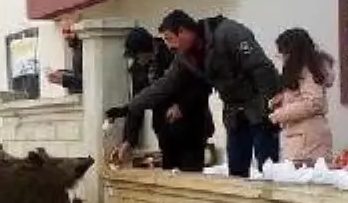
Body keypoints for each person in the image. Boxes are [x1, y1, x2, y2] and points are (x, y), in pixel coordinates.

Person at [111, 10, 281, 178]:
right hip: (234, 111)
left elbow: (261, 68)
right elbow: (164, 85)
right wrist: (130, 107)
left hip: (259, 105)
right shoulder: (184, 57)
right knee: (236, 172)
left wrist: (269, 108)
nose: (169, 45)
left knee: (267, 170)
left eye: (170, 38)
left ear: (183, 31)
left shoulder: (228, 33)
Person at [105, 27, 213, 172]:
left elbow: (199, 86)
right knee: (169, 175)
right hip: (165, 129)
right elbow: (137, 103)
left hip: (192, 126)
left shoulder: (173, 55)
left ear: (147, 50)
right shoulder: (139, 69)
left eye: (138, 56)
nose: (137, 60)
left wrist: (181, 106)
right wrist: (129, 140)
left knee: (190, 175)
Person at [268, 28, 334, 166]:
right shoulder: (303, 70)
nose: (283, 58)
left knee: (302, 184)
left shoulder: (308, 70)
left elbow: (314, 103)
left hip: (307, 141)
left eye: (284, 53)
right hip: (302, 137)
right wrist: (282, 100)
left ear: (293, 52)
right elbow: (301, 97)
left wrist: (279, 114)